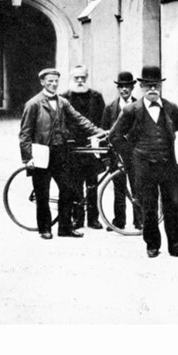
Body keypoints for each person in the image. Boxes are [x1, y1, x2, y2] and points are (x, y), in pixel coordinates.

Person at [108, 65, 178, 259]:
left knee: (173, 204)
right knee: (148, 206)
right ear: (141, 87)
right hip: (144, 166)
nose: (152, 89)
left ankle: (177, 247)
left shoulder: (171, 108)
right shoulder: (132, 110)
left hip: (169, 165)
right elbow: (114, 136)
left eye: (155, 85)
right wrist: (131, 156)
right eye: (148, 86)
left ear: (160, 86)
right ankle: (152, 245)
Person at [19, 68, 106, 240]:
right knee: (42, 192)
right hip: (42, 152)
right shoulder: (33, 104)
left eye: (56, 81)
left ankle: (65, 228)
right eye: (49, 81)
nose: (53, 84)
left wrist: (97, 131)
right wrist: (28, 158)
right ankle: (44, 228)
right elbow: (25, 134)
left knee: (68, 189)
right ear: (43, 82)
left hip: (61, 152)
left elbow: (79, 119)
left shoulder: (62, 102)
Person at [62, 65, 106, 230]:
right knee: (75, 183)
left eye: (83, 78)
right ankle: (77, 218)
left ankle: (93, 219)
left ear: (87, 78)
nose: (80, 81)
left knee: (93, 182)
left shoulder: (96, 97)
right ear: (71, 78)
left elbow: (102, 120)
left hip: (92, 144)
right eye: (76, 78)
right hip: (73, 146)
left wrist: (99, 138)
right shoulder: (64, 97)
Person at [101, 70, 142, 231]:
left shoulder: (139, 106)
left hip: (133, 154)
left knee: (136, 187)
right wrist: (106, 156)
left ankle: (139, 221)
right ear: (118, 89)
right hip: (115, 154)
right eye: (121, 87)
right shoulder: (110, 108)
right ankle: (119, 221)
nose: (124, 90)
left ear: (132, 88)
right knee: (119, 188)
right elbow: (104, 132)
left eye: (127, 86)